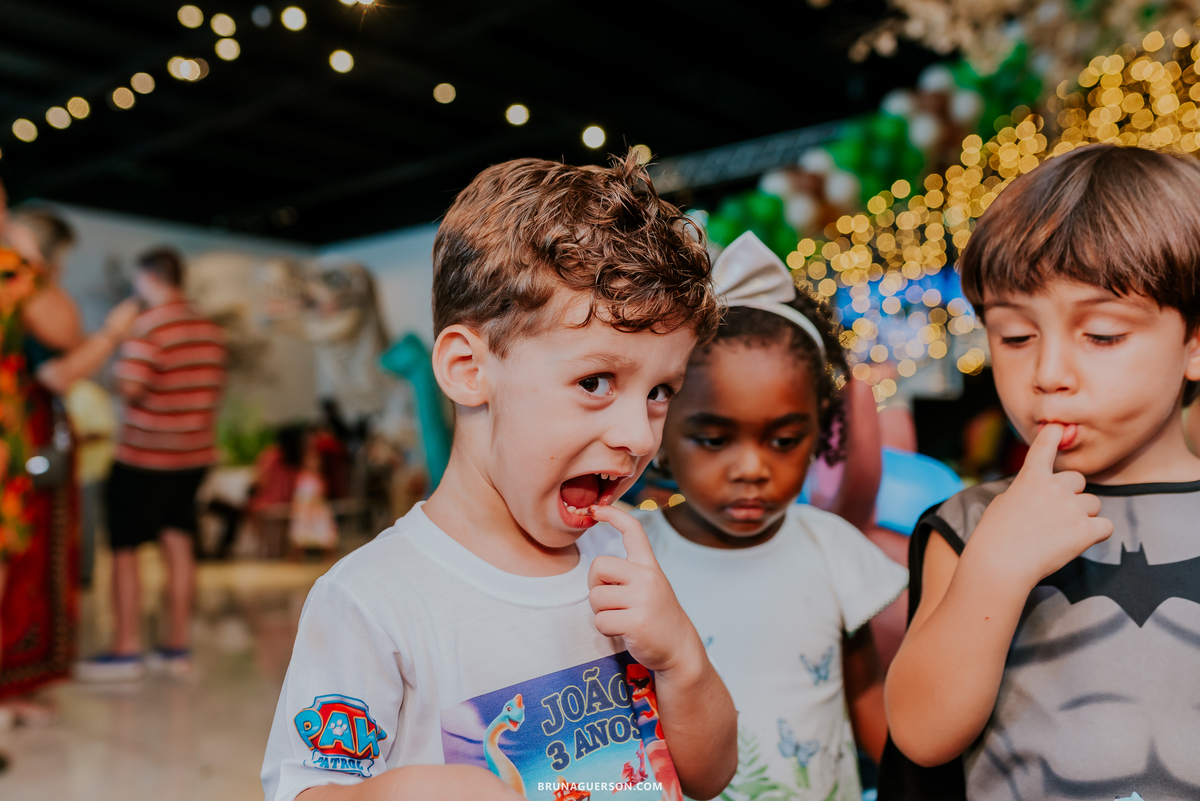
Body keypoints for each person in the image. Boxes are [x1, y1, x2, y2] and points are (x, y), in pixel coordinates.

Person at [261, 152, 738, 801]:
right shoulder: (371, 601)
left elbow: (709, 776)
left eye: (660, 391)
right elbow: (307, 791)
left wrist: (682, 657)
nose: (639, 435)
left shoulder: (620, 564)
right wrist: (402, 794)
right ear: (467, 368)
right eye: (597, 382)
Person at [881, 144, 1200, 800]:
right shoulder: (967, 524)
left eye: (1104, 334)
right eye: (1016, 337)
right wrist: (993, 568)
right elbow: (920, 731)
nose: (1049, 374)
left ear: (1195, 342)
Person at [636, 232, 907, 801]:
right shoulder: (635, 560)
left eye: (783, 440)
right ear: (661, 435)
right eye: (713, 439)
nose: (752, 469)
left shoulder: (831, 547)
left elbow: (865, 696)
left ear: (819, 434)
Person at [0, 208, 138, 711]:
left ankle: (22, 679)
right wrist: (112, 334)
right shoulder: (21, 284)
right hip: (20, 445)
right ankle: (12, 681)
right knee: (21, 561)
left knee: (36, 563)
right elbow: (63, 361)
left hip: (29, 443)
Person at [76, 247, 226, 681]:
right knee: (178, 542)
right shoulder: (209, 329)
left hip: (143, 457)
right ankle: (176, 646)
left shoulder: (147, 325)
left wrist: (107, 367)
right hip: (194, 457)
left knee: (124, 549)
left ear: (149, 279)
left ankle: (126, 649)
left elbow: (131, 386)